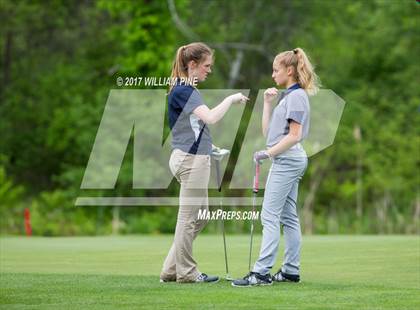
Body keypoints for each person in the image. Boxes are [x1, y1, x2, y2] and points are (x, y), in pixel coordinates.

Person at [160, 42, 248, 283]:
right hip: (191, 161)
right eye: (207, 66)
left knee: (201, 216)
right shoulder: (184, 90)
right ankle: (187, 273)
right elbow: (210, 117)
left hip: (194, 156)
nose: (209, 70)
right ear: (192, 65)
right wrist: (230, 99)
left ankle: (170, 270)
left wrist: (211, 148)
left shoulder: (185, 89)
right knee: (188, 219)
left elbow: (195, 127)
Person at [232, 47, 320, 287]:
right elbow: (269, 134)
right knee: (288, 217)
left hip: (288, 160)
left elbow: (295, 135)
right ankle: (291, 271)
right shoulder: (287, 96)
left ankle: (261, 273)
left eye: (275, 70)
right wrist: (267, 104)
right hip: (286, 160)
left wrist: (266, 154)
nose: (272, 75)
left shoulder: (298, 96)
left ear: (289, 70)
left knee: (269, 215)